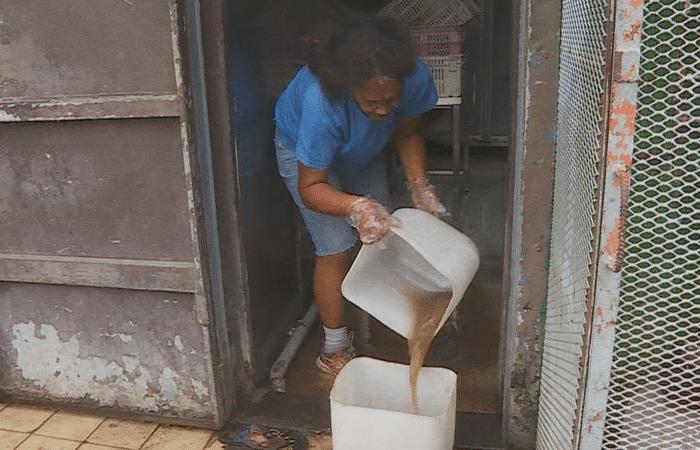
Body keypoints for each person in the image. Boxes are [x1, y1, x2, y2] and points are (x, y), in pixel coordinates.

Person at [274, 11, 445, 376]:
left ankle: (381, 318)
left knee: (381, 233)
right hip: (307, 156)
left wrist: (419, 185)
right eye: (372, 103)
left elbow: (409, 133)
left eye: (391, 101)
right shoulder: (323, 102)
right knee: (335, 245)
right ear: (349, 88)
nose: (384, 110)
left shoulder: (412, 76)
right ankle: (334, 348)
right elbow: (312, 187)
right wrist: (357, 206)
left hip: (362, 146)